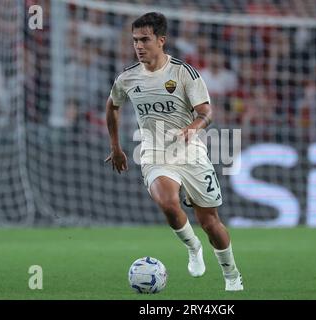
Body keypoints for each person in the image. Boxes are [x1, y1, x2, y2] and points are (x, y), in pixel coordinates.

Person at [104, 12, 243, 291]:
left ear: (161, 40)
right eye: (135, 41)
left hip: (190, 153)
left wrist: (193, 127)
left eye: (145, 39)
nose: (139, 46)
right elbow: (112, 107)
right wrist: (116, 147)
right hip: (154, 151)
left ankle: (232, 275)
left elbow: (207, 113)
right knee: (167, 202)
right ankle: (193, 248)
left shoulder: (183, 72)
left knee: (210, 223)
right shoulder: (127, 78)